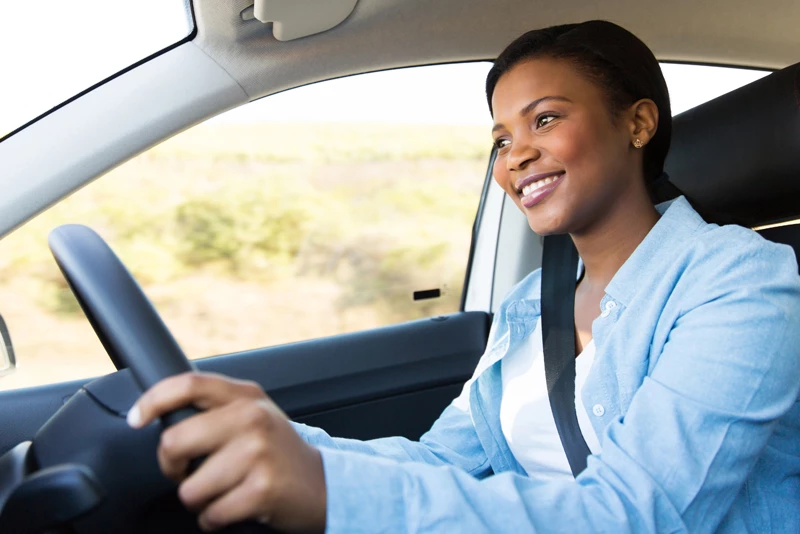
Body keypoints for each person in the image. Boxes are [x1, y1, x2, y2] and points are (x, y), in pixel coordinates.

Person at [125, 20, 800, 533]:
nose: (516, 155)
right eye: (501, 139)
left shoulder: (742, 283)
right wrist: (277, 433)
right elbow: (445, 463)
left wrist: (334, 493)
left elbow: (635, 515)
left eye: (546, 119)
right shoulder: (525, 309)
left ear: (638, 122)